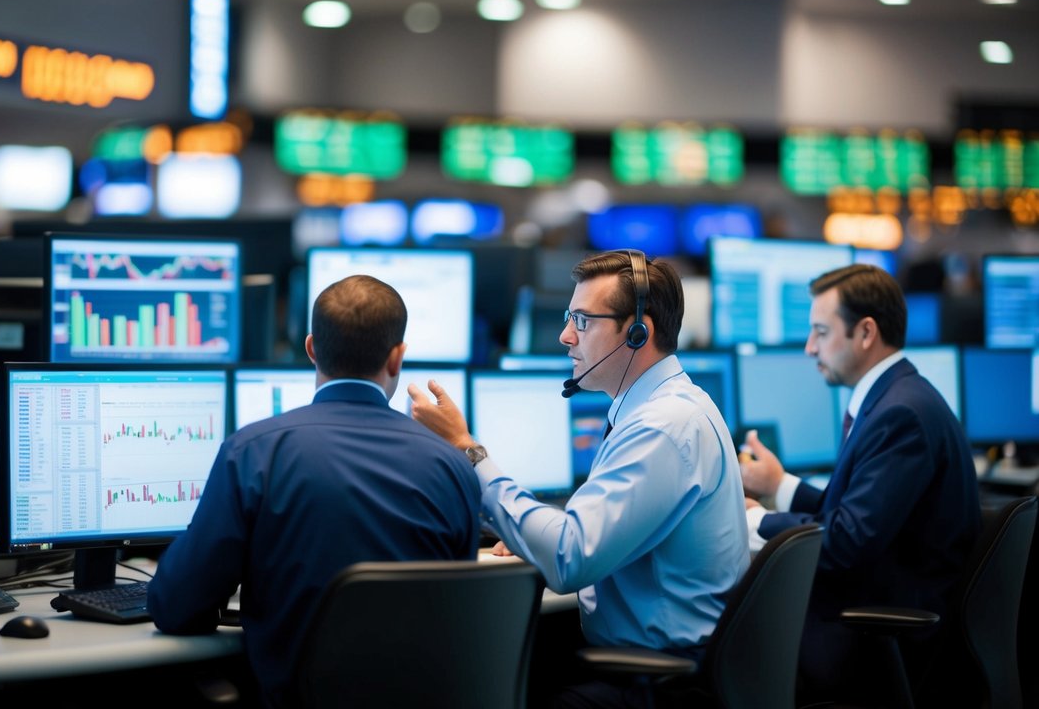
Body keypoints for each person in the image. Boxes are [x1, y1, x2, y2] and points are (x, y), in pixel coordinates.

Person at [409, 249, 749, 709]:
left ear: (636, 333)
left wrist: (469, 453)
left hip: (657, 682)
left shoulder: (662, 428)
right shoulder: (668, 407)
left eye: (583, 321)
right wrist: (532, 530)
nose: (565, 335)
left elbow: (570, 559)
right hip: (653, 661)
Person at [148, 274, 481, 708]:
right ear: (398, 357)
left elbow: (176, 607)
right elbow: (455, 611)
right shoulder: (454, 465)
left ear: (310, 348)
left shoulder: (253, 452)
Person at [740, 263, 981, 703]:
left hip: (884, 631)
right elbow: (853, 511)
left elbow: (846, 541)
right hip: (886, 607)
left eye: (820, 332)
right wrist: (779, 485)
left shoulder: (899, 415)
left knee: (730, 641)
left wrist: (757, 522)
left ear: (866, 332)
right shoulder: (896, 397)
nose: (810, 347)